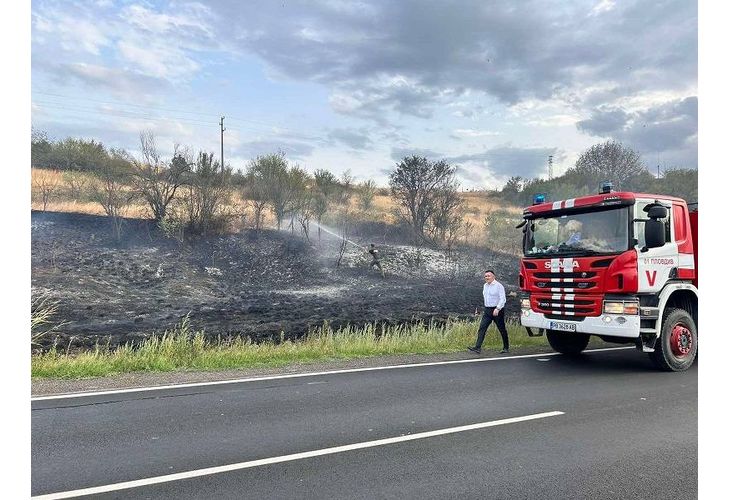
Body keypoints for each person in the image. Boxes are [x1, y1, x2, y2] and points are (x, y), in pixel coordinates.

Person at [468, 270, 510, 354]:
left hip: (497, 310)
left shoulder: (499, 286)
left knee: (501, 329)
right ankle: (477, 347)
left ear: (493, 276)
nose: (487, 277)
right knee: (482, 328)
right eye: (485, 276)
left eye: (488, 276)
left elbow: (503, 299)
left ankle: (506, 347)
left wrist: (497, 308)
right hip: (487, 310)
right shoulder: (485, 285)